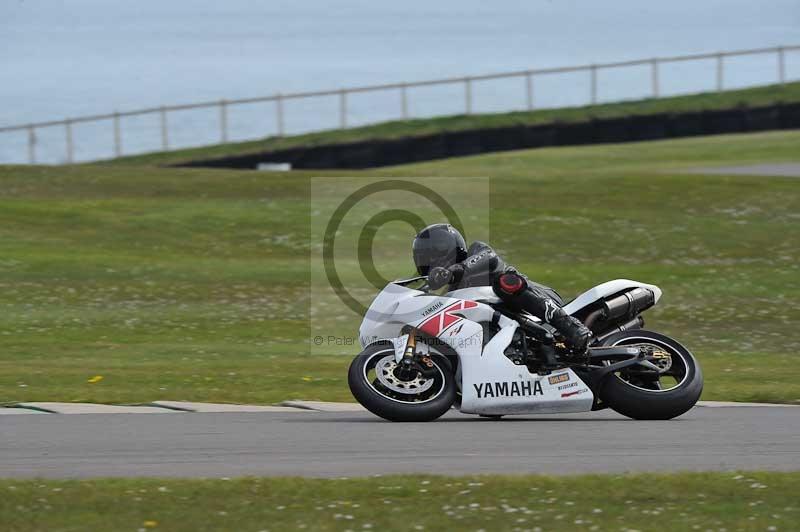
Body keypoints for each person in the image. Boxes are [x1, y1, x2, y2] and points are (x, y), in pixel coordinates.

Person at [411, 223, 592, 352]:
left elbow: (487, 256)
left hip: (540, 300)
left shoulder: (477, 251)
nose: (427, 263)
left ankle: (571, 326)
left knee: (505, 282)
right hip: (516, 326)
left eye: (428, 256)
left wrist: (454, 270)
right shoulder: (453, 294)